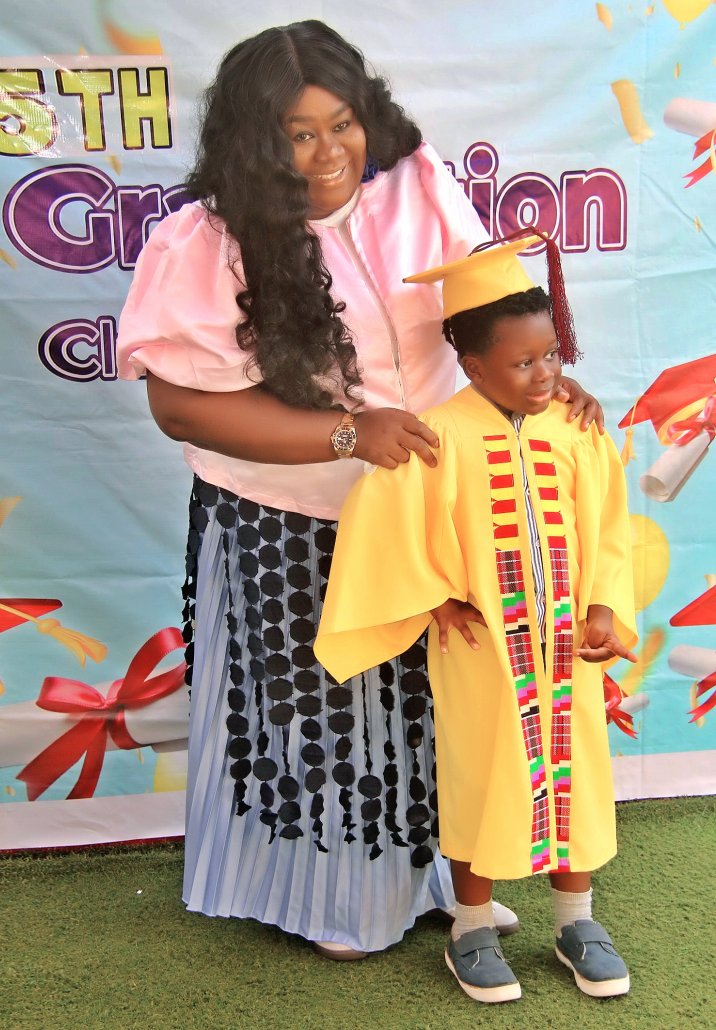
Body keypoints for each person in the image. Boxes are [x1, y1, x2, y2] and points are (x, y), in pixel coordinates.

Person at [116, 20, 604, 959]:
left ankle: (442, 881)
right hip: (291, 516)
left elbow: (488, 312)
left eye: (341, 123)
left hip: (433, 505)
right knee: (327, 711)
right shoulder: (208, 239)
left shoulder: (416, 182)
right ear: (255, 139)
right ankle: (337, 904)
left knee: (440, 699)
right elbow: (178, 408)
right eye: (297, 133)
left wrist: (542, 377)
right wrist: (346, 433)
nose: (328, 152)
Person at [315, 232, 637, 999]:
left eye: (550, 355)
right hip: (481, 650)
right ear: (473, 365)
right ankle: (470, 928)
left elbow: (609, 526)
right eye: (522, 362)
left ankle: (576, 920)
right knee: (479, 779)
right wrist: (433, 593)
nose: (544, 374)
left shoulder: (578, 428)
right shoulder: (441, 435)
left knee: (574, 777)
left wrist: (601, 605)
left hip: (564, 648)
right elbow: (383, 522)